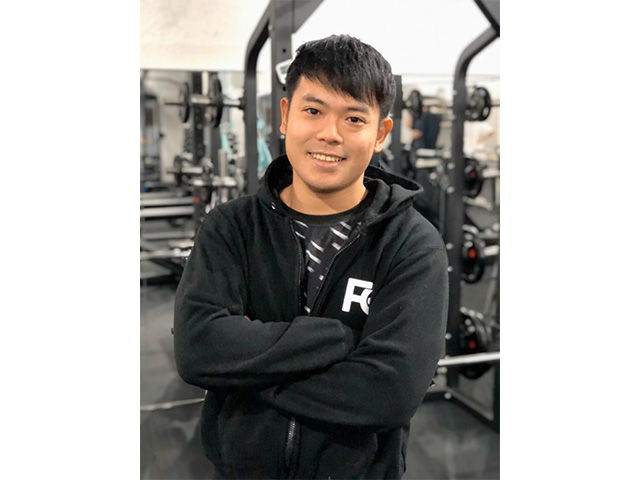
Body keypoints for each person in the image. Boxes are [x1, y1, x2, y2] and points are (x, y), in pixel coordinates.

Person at [173, 34, 449, 480]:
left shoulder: (411, 244)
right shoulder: (230, 227)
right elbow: (198, 349)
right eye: (313, 111)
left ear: (380, 134)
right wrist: (337, 340)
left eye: (354, 118)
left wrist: (246, 375)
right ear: (286, 116)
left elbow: (390, 393)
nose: (329, 134)